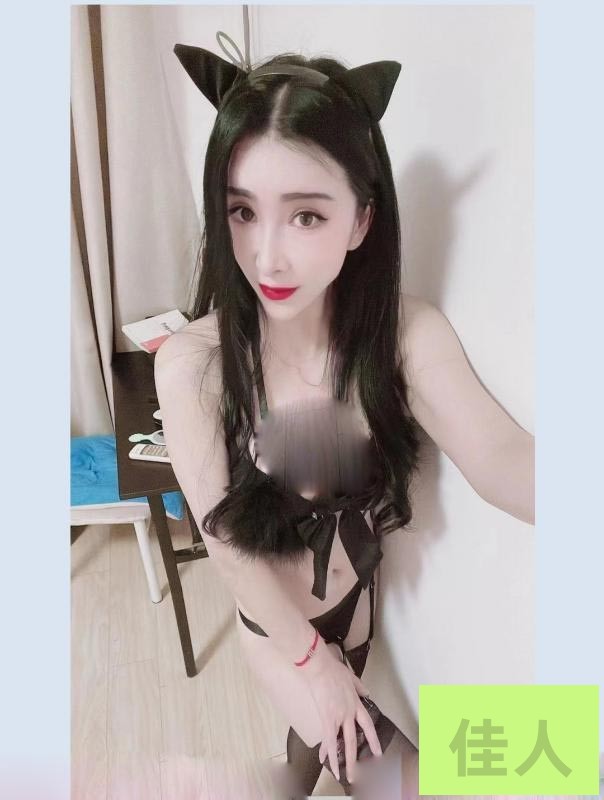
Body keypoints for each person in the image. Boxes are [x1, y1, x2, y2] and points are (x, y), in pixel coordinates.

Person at [154, 41, 535, 799]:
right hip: (278, 633)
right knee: (421, 781)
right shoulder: (195, 363)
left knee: (309, 755)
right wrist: (311, 664)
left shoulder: (400, 337)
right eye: (241, 211)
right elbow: (225, 542)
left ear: (360, 221)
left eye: (305, 215)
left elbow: (501, 459)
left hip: (357, 610)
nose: (266, 256)